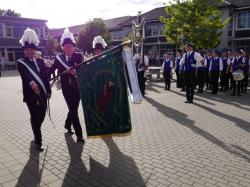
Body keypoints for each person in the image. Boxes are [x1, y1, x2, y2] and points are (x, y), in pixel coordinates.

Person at [17, 28, 51, 151]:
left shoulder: (41, 61)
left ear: (35, 50)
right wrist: (32, 83)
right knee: (36, 117)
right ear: (24, 51)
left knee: (41, 116)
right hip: (31, 95)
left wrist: (49, 91)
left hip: (42, 94)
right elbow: (26, 75)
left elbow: (46, 78)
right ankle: (38, 141)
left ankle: (34, 125)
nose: (30, 51)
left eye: (32, 49)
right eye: (27, 49)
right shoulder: (21, 62)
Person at [51, 28, 84, 143]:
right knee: (74, 110)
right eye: (66, 46)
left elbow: (83, 70)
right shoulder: (59, 58)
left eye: (70, 46)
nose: (68, 48)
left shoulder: (79, 56)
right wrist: (43, 68)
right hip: (66, 88)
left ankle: (67, 125)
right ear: (62, 48)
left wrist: (74, 71)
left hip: (77, 87)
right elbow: (52, 70)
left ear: (74, 47)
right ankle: (79, 134)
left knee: (73, 109)